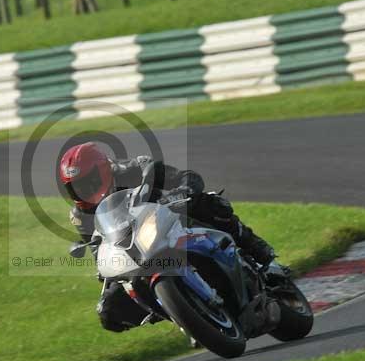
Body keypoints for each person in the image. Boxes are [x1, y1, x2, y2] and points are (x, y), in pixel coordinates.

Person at [59, 141, 277, 333]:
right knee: (109, 311)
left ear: (103, 170)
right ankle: (183, 314)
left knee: (209, 204)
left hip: (168, 219)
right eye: (75, 188)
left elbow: (185, 177)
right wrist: (104, 269)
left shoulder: (133, 168)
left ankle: (256, 248)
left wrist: (183, 190)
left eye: (88, 181)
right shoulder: (81, 215)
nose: (83, 190)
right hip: (136, 251)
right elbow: (98, 251)